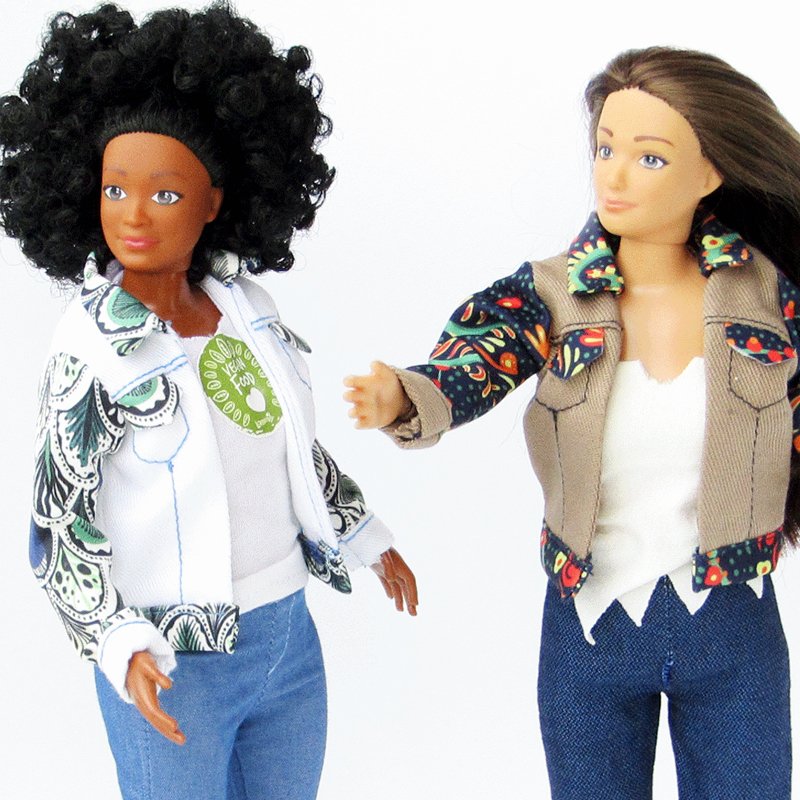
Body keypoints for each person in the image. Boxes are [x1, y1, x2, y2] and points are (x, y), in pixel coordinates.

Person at [345, 47, 800, 799]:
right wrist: (408, 395)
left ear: (711, 173)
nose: (613, 176)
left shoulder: (768, 296)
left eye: (649, 157)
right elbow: (479, 357)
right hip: (589, 621)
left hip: (731, 615)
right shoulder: (554, 295)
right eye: (605, 148)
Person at [1, 4, 417, 799]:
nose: (133, 214)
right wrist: (118, 642)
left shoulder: (246, 310)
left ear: (214, 203)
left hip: (287, 638)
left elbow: (288, 446)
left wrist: (366, 536)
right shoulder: (91, 350)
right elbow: (58, 526)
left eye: (164, 193)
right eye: (116, 188)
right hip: (172, 658)